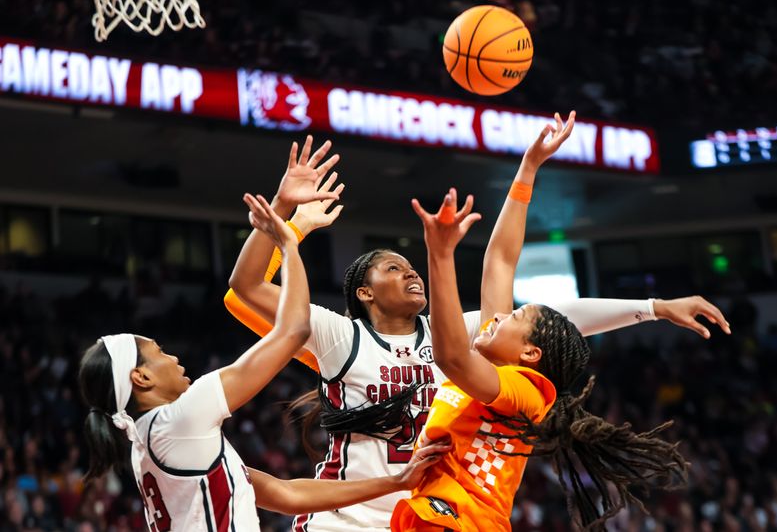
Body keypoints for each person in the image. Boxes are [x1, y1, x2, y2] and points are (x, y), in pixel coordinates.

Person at [226, 132, 730, 531]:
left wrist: (653, 307)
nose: (411, 272)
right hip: (345, 517)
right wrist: (285, 216)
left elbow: (547, 316)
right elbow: (247, 286)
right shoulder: (339, 335)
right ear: (364, 293)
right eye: (393, 269)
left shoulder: (466, 335)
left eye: (413, 265)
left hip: (424, 513)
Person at [78, 193, 449, 531]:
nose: (174, 358)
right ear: (140, 377)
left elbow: (286, 496)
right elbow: (291, 328)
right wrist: (290, 242)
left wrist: (398, 482)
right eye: (159, 353)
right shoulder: (182, 419)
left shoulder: (156, 440)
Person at [393, 186, 692, 531]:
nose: (500, 317)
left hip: (465, 523)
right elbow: (500, 263)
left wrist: (441, 256)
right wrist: (529, 168)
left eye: (514, 318)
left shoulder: (528, 391)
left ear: (530, 353)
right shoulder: (496, 366)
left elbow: (451, 357)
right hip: (440, 515)